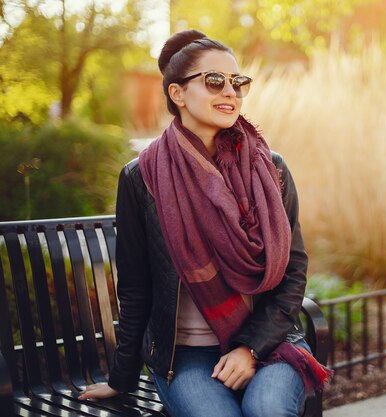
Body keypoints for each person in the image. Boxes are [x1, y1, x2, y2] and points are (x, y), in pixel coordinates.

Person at [78, 29, 331, 417]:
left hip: (270, 342)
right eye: (215, 81)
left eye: (238, 82)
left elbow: (293, 272)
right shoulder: (141, 178)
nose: (230, 92)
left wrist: (249, 348)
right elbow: (135, 289)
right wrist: (121, 378)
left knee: (267, 410)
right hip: (185, 355)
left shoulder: (271, 169)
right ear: (177, 94)